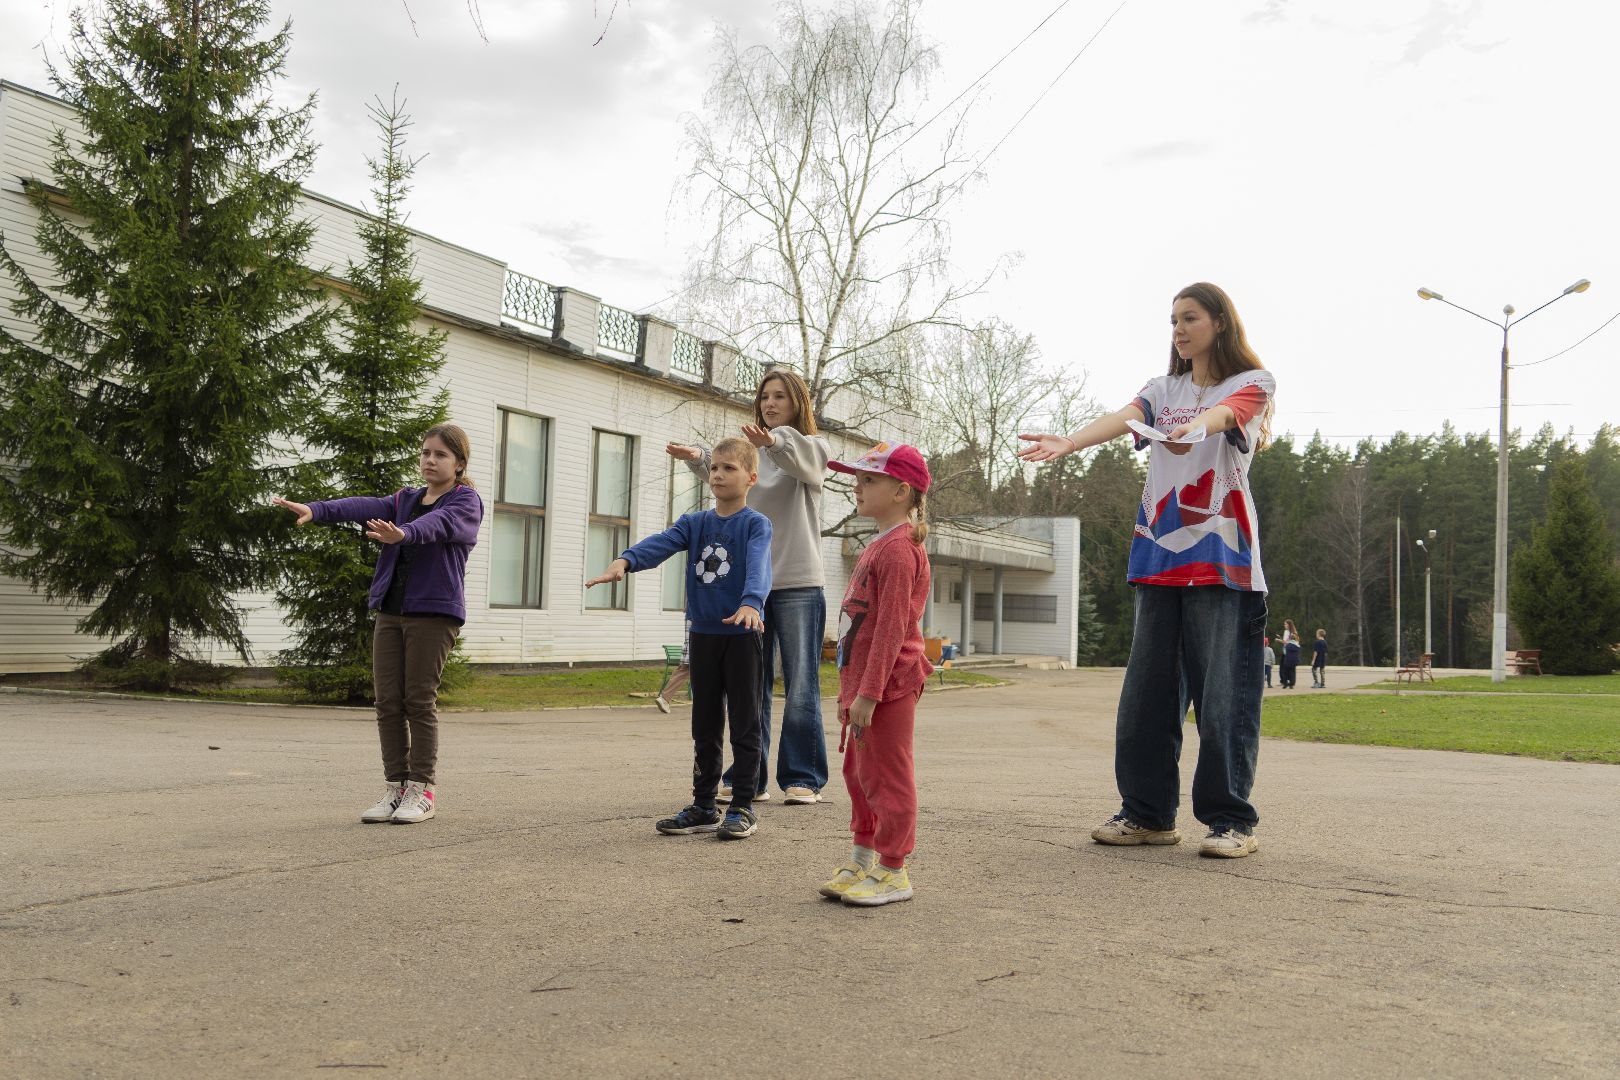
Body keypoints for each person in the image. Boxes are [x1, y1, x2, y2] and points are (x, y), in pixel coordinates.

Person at [1018, 282, 1275, 859]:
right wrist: (1070, 443)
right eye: (1173, 320)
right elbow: (1126, 417)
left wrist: (1196, 428)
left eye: (1190, 318)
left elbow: (1228, 414)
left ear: (1220, 323)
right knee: (1146, 701)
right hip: (1158, 560)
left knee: (1222, 703)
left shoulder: (1254, 383)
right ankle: (1147, 815)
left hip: (1224, 565)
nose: (1178, 329)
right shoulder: (1162, 388)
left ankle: (1231, 822)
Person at [273, 424, 484, 825]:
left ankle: (422, 790)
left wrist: (403, 533)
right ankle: (396, 788)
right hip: (391, 611)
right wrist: (317, 510)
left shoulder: (465, 501)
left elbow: (438, 525)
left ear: (459, 463)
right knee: (387, 702)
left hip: (433, 614)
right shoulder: (406, 499)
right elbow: (362, 505)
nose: (430, 460)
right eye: (425, 452)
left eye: (440, 454)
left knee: (418, 701)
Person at [588, 437, 773, 841]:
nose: (718, 474)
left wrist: (752, 603)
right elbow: (661, 543)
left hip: (742, 636)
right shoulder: (695, 523)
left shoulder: (756, 524)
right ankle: (704, 805)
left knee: (745, 723)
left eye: (729, 468)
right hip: (703, 636)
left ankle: (742, 806)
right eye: (715, 467)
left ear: (751, 477)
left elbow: (759, 566)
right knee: (704, 724)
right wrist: (625, 560)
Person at [668, 368, 830, 805]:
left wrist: (773, 442)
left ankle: (803, 777)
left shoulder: (812, 448)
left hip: (798, 582)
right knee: (749, 686)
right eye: (764, 397)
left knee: (800, 684)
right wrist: (697, 458)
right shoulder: (754, 456)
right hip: (749, 592)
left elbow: (798, 460)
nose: (770, 404)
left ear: (797, 403)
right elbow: (729, 474)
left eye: (780, 397)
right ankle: (748, 777)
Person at [817, 442, 934, 907]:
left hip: (889, 686)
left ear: (901, 491)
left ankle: (893, 869)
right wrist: (850, 690)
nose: (857, 488)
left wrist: (869, 693)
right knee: (859, 773)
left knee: (888, 775)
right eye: (858, 479)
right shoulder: (879, 544)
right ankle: (863, 857)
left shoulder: (900, 550)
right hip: (864, 686)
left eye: (869, 480)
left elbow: (890, 630)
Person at [655, 622, 691, 714]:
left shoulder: (690, 613)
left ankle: (664, 698)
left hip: (691, 645)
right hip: (701, 644)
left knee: (682, 671)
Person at [1280, 619, 1301, 689]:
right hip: (1293, 657)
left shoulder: (1287, 632)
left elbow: (1285, 642)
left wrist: (1280, 640)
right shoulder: (1295, 634)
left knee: (1284, 669)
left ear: (1289, 625)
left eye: (1285, 624)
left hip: (1287, 654)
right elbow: (1298, 643)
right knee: (1292, 670)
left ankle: (1285, 683)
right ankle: (1291, 683)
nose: (1284, 625)